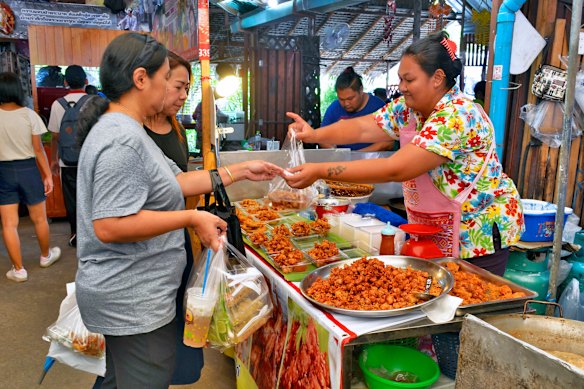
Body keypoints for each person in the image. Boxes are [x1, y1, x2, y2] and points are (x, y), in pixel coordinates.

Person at [74, 33, 283, 388]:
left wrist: (240, 171)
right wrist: (191, 217)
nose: (175, 90)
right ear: (141, 79)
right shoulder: (121, 139)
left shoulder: (130, 130)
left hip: (137, 293)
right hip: (132, 298)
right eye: (165, 77)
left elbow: (177, 182)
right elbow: (109, 225)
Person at [284, 31, 524, 276]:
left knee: (467, 302)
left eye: (409, 80)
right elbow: (363, 127)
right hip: (432, 231)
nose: (402, 88)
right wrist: (314, 135)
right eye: (400, 80)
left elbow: (396, 168)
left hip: (476, 236)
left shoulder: (458, 115)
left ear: (438, 78)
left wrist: (320, 172)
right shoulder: (409, 109)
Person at [0, 72, 61, 282]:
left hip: (3, 172)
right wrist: (48, 176)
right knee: (40, 218)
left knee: (9, 224)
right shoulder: (29, 115)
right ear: (19, 90)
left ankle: (18, 270)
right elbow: (38, 150)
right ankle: (45, 256)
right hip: (28, 170)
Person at [48, 65, 89, 248]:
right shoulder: (93, 102)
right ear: (86, 82)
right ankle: (93, 235)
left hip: (68, 162)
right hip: (90, 161)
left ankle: (75, 235)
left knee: (71, 201)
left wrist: (54, 159)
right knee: (91, 197)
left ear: (65, 82)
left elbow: (55, 136)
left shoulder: (58, 104)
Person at [320, 67, 392, 151]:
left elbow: (388, 142)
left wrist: (357, 156)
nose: (346, 103)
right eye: (341, 99)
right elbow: (322, 137)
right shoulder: (334, 108)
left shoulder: (378, 107)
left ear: (361, 90)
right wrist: (335, 152)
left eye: (350, 98)